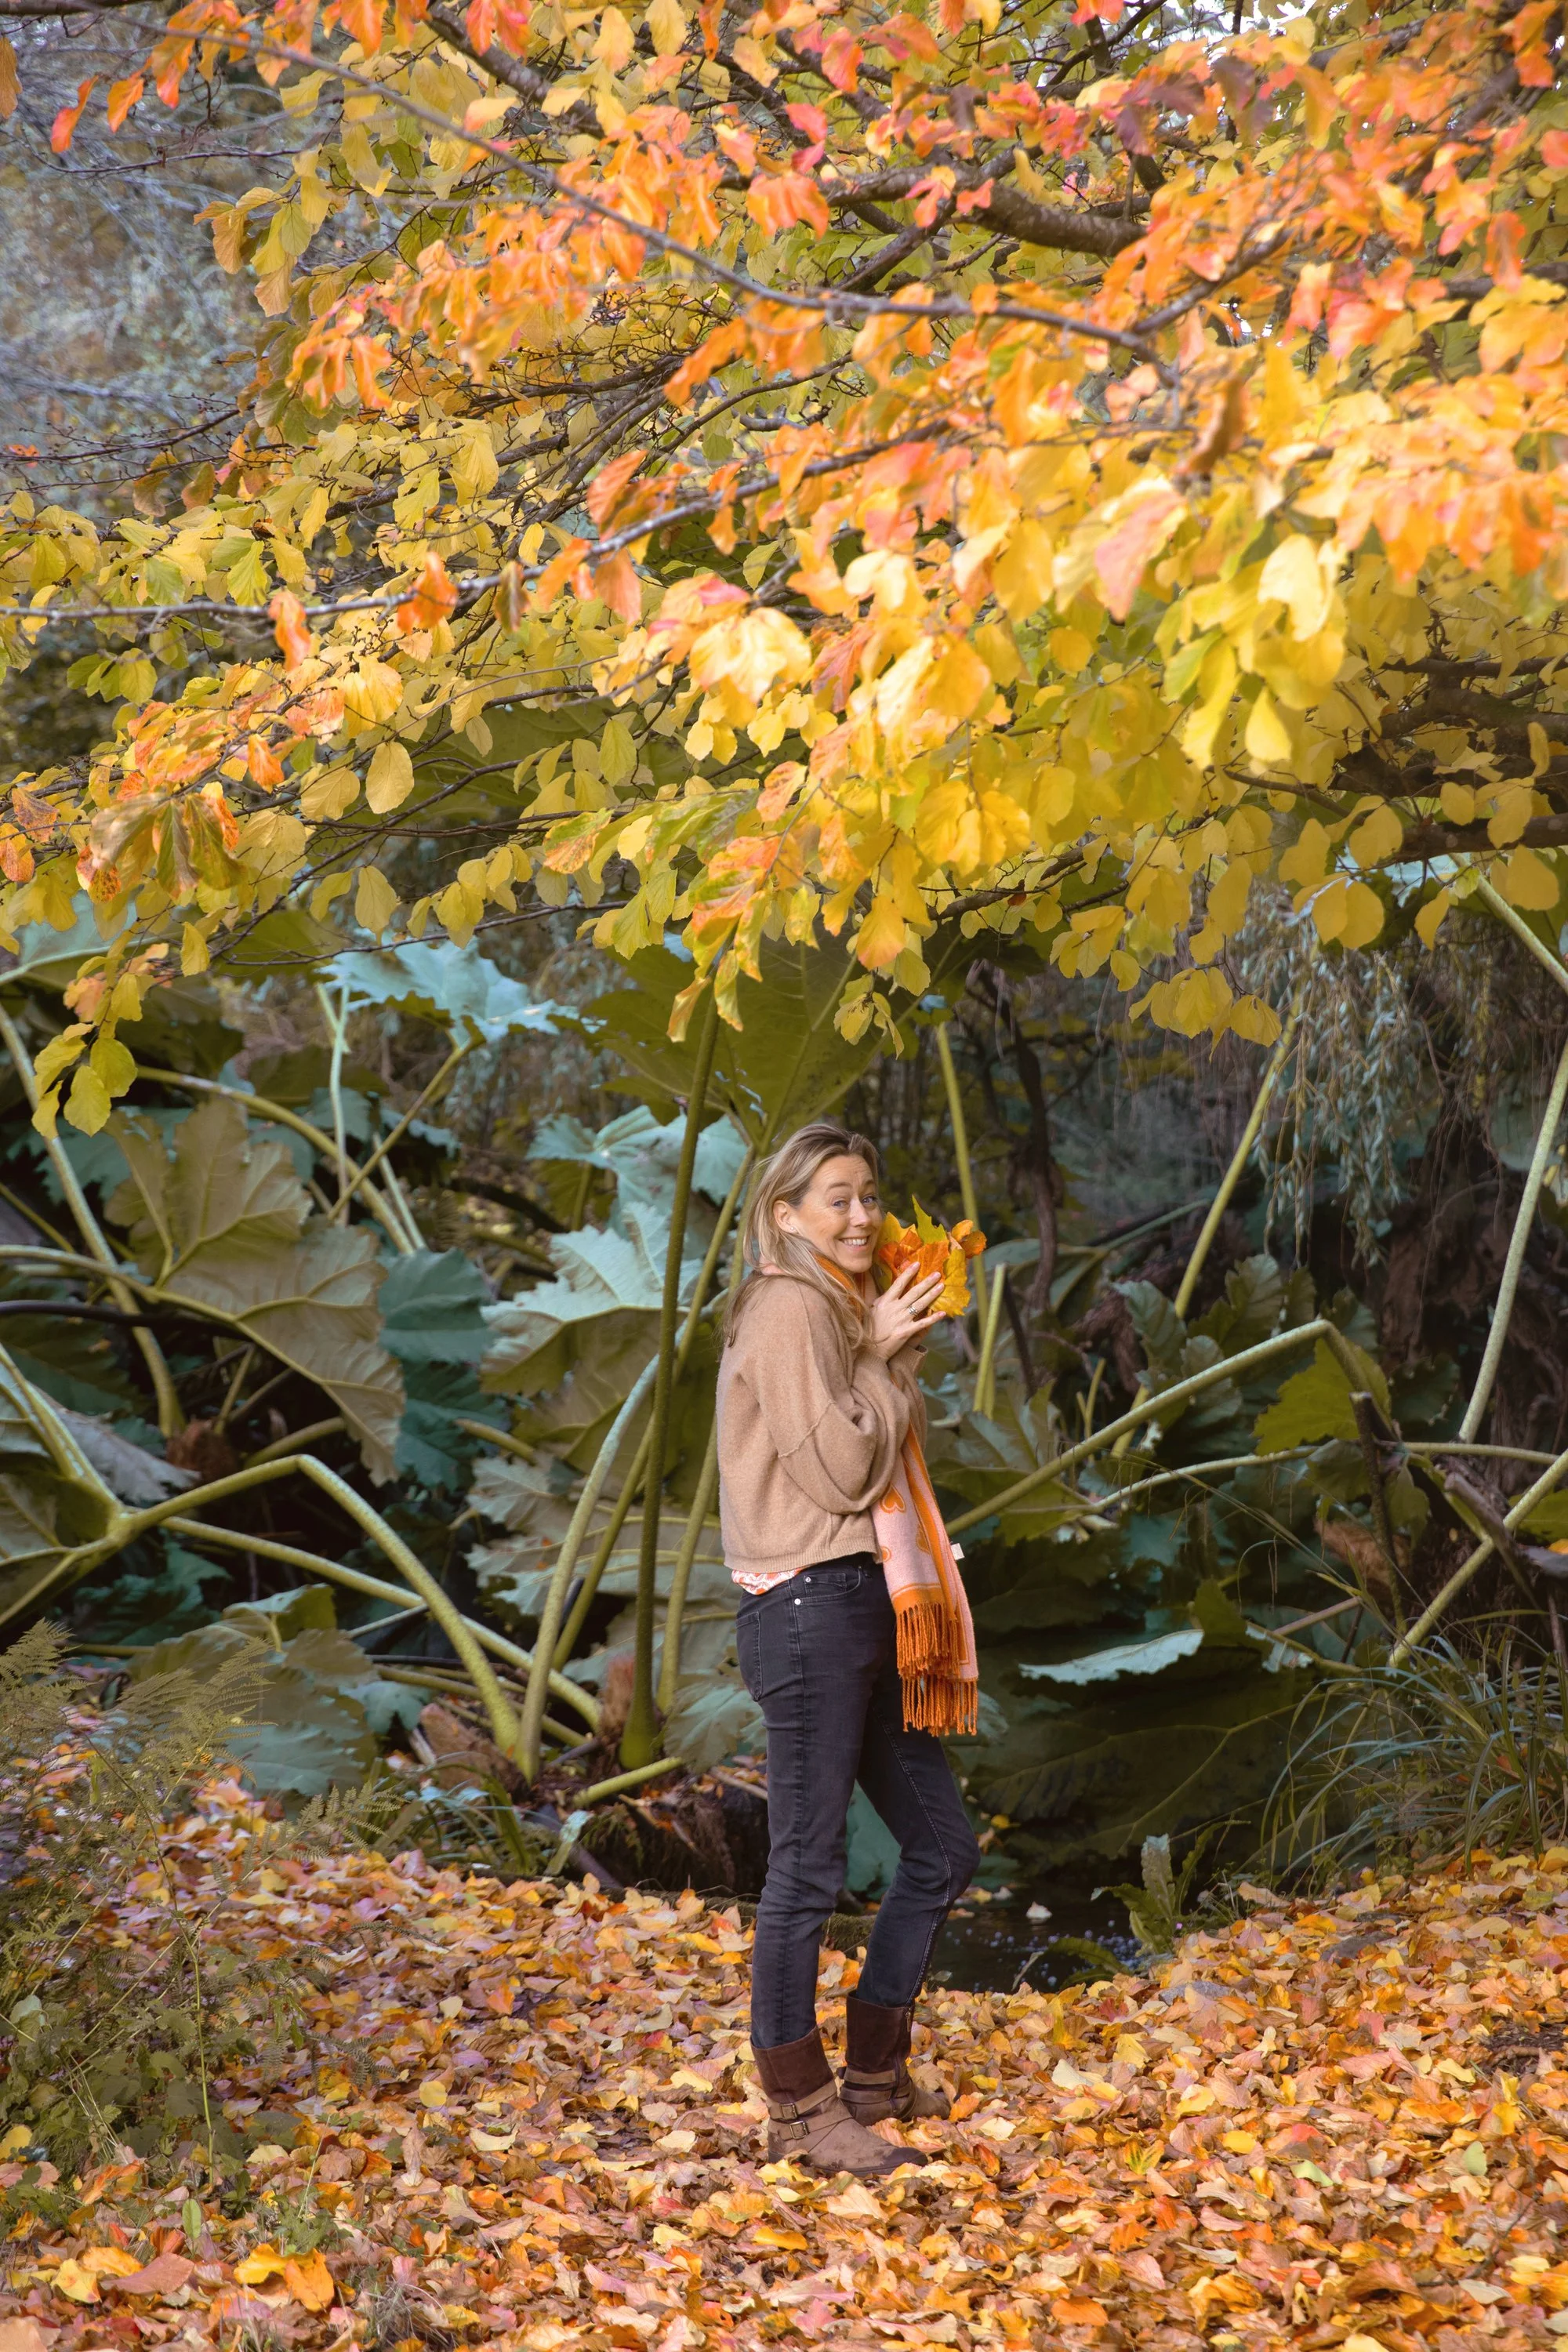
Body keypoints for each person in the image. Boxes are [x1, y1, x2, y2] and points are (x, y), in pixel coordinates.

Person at [717, 1120, 983, 2177]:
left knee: (942, 1846)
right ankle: (798, 2107)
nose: (863, 1214)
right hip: (805, 1608)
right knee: (807, 1867)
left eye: (870, 1194)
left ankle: (872, 2074)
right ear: (786, 1215)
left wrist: (879, 1352)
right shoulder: (790, 1309)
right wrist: (875, 1358)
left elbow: (864, 1451)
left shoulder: (838, 1313)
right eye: (837, 1197)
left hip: (858, 1602)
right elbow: (840, 1472)